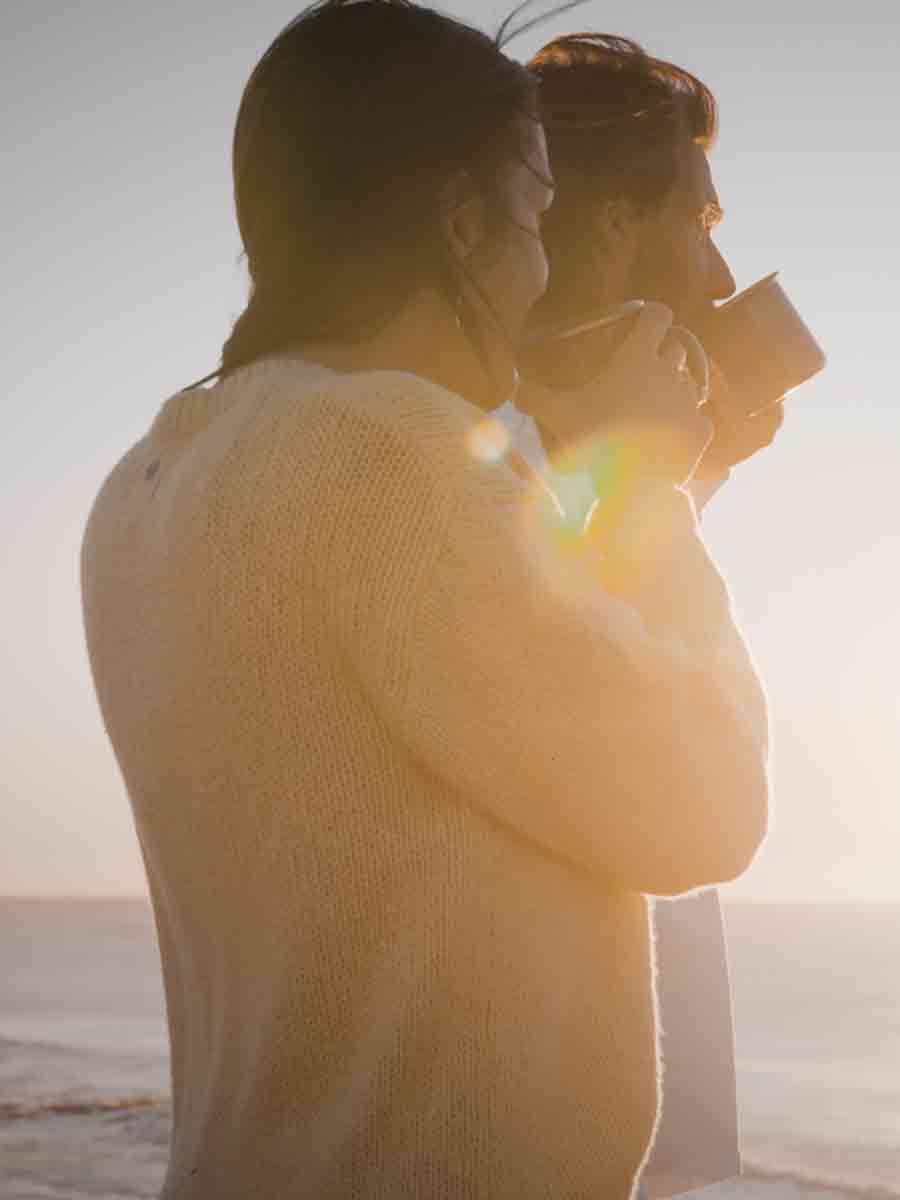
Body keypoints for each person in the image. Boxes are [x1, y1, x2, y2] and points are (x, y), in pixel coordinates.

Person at [81, 3, 768, 1197]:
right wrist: (654, 484)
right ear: (464, 223)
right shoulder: (394, 458)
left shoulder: (148, 478)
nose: (544, 264)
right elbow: (708, 809)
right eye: (536, 213)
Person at [507, 33, 785, 1197]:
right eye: (701, 225)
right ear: (616, 225)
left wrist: (696, 466)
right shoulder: (483, 478)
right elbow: (690, 778)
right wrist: (667, 483)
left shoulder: (537, 449)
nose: (721, 279)